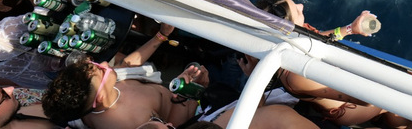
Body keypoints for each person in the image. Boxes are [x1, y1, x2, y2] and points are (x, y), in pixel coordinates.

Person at [253, 0, 412, 128]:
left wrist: (350, 29)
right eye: (297, 10)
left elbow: (317, 40)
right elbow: (364, 100)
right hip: (350, 109)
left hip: (348, 95)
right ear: (288, 29)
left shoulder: (289, 42)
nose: (301, 6)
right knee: (399, 104)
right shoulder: (297, 75)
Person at [42, 58, 315, 129]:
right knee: (249, 67)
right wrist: (195, 94)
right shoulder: (127, 121)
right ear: (99, 98)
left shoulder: (108, 93)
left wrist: (182, 86)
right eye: (98, 71)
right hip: (202, 113)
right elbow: (179, 123)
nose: (102, 64)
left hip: (190, 96)